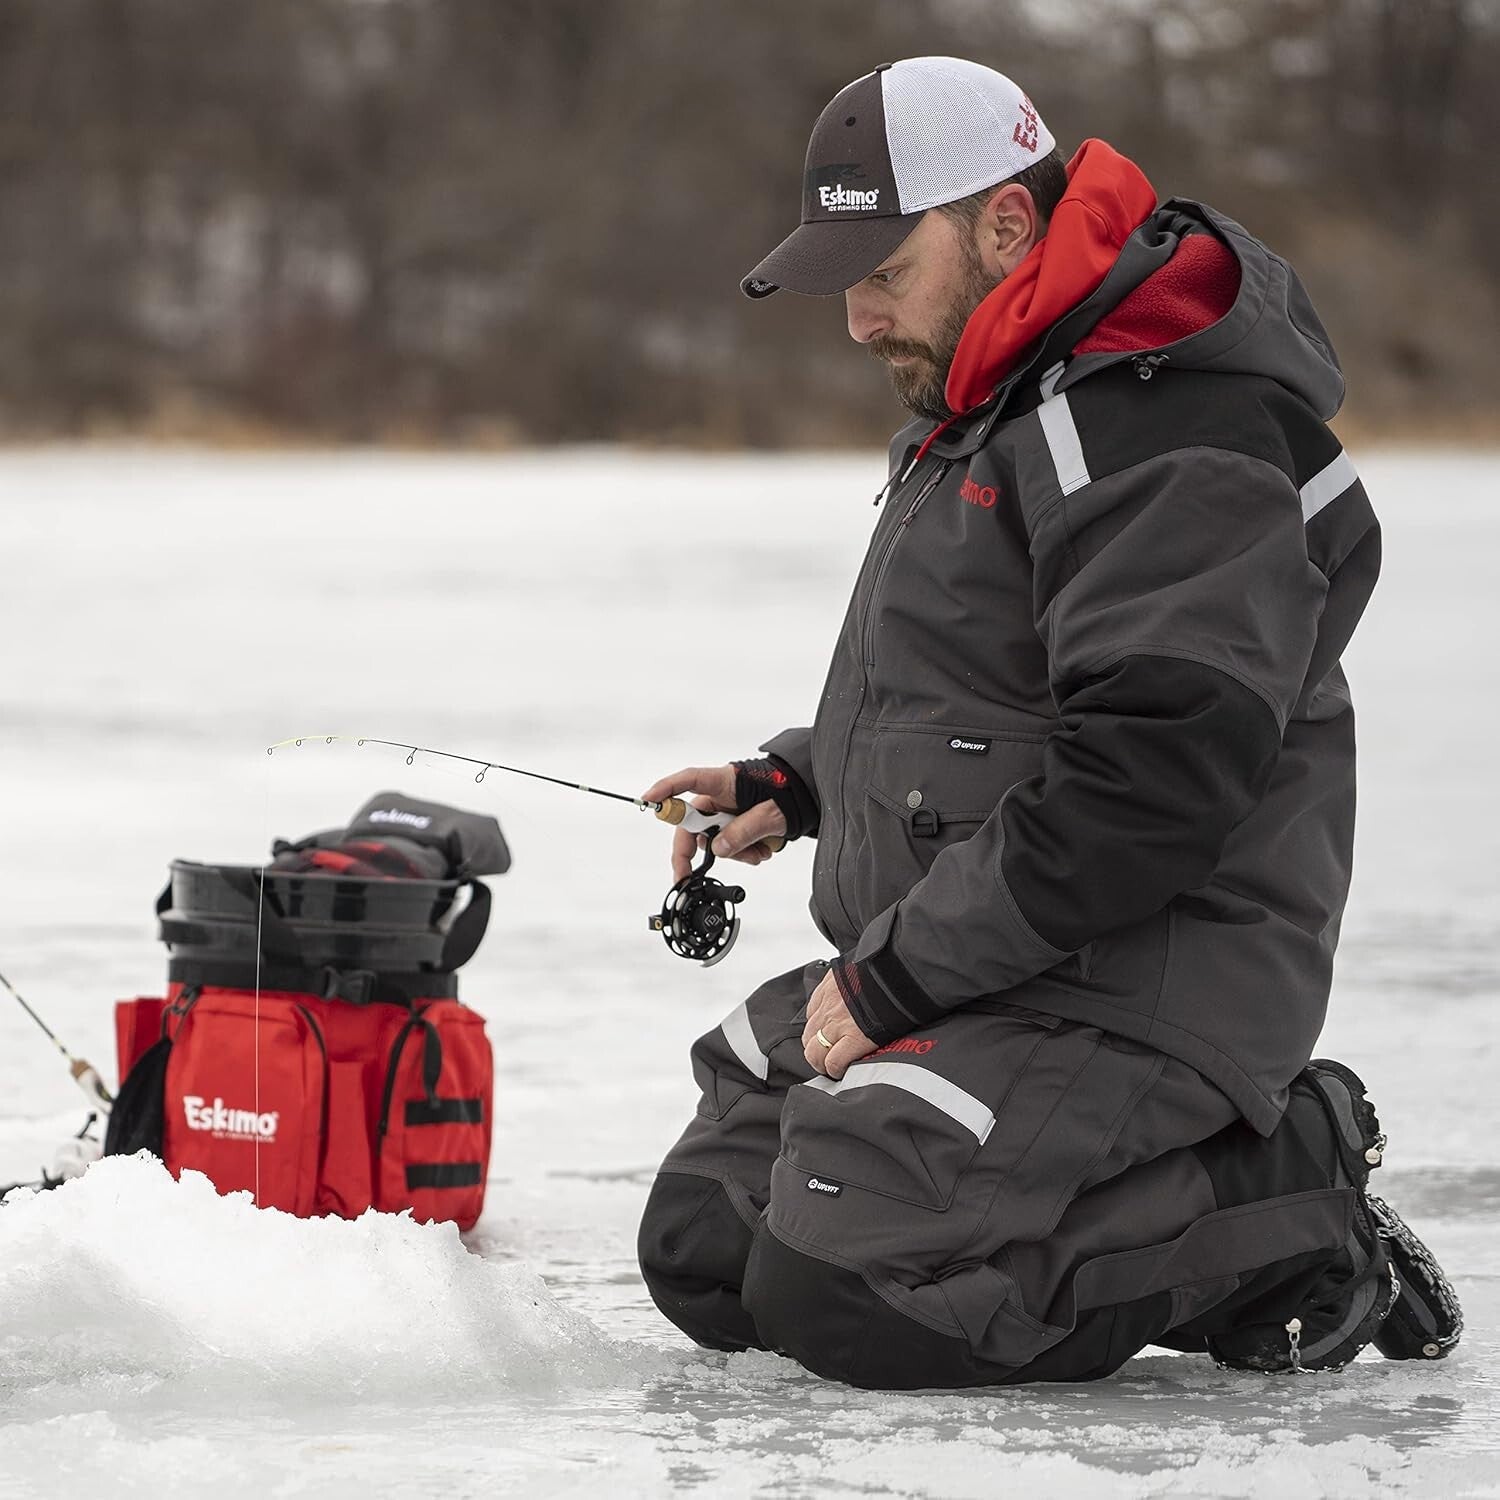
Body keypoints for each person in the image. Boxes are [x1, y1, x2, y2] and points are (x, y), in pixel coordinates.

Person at [636, 56, 1460, 1388]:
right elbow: (980, 698)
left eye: (885, 273)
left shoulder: (1167, 423)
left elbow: (1142, 789)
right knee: (707, 1247)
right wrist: (799, 780)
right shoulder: (994, 396)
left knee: (852, 1292)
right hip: (1001, 961)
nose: (856, 320)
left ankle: (1289, 1190)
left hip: (1135, 982)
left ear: (1006, 227)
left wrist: (890, 981)